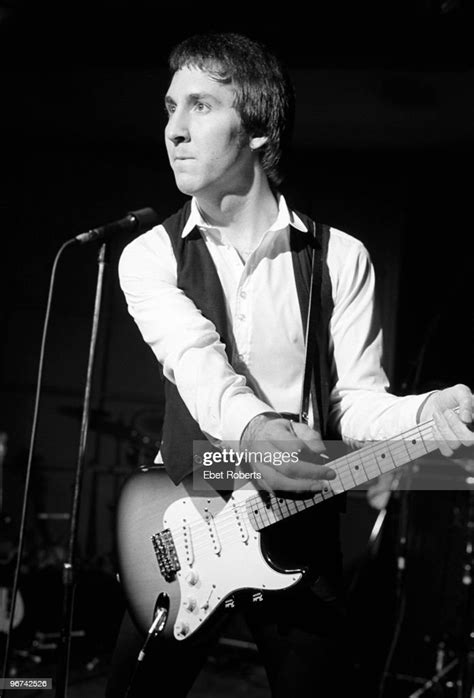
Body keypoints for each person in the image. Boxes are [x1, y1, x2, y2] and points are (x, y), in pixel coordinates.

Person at [107, 32, 474, 697]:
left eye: (199, 106)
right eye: (169, 108)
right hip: (188, 506)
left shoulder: (341, 258)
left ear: (256, 129)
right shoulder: (148, 256)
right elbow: (196, 361)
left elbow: (353, 406)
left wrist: (426, 413)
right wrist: (254, 431)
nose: (174, 129)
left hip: (301, 514)